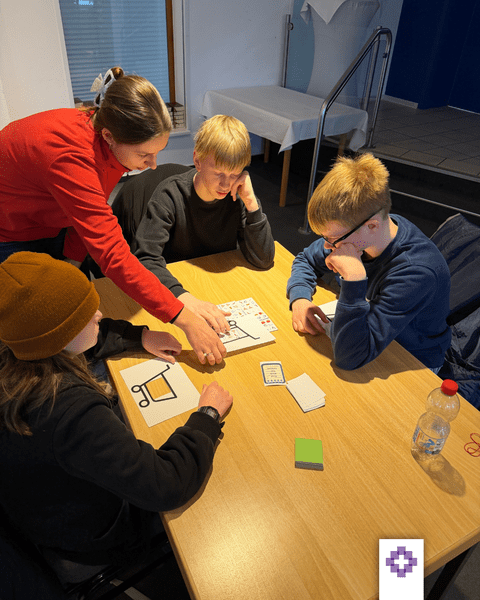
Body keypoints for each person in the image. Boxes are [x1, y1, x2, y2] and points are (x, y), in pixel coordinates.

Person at [0, 251, 233, 571]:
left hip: (41, 503)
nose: (98, 314)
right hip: (93, 533)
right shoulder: (69, 411)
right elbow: (165, 484)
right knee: (215, 507)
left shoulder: (19, 347)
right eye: (84, 315)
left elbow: (79, 336)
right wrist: (206, 416)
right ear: (57, 336)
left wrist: (141, 336)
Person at [0, 67, 225, 366]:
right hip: (10, 230)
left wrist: (71, 262)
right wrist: (183, 317)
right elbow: (113, 254)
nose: (153, 165)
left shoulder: (111, 141)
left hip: (50, 217)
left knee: (74, 309)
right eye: (144, 155)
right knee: (38, 329)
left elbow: (83, 215)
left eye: (157, 152)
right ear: (108, 137)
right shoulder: (70, 157)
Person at [287, 153, 451, 371]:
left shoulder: (416, 272)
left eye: (331, 238)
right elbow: (306, 259)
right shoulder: (361, 234)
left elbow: (349, 357)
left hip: (412, 360)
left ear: (372, 226)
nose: (326, 246)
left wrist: (354, 279)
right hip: (370, 339)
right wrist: (300, 298)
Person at [130, 114, 275, 333]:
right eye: (218, 173)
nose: (225, 184)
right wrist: (183, 297)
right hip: (177, 288)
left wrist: (252, 204)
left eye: (234, 174)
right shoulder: (169, 195)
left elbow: (263, 259)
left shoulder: (238, 197)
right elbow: (145, 259)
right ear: (197, 161)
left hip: (214, 285)